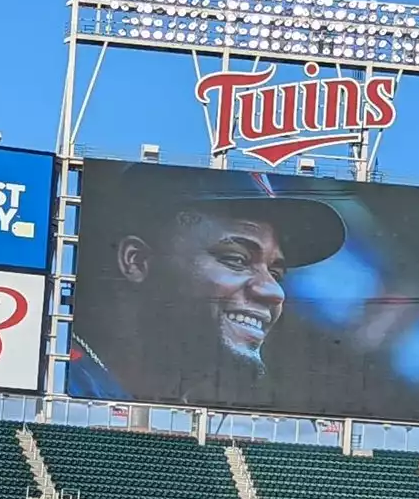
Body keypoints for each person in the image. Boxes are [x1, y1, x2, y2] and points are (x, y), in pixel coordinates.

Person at [68, 162, 346, 405]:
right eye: (236, 259)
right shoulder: (63, 386)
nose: (273, 291)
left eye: (276, 272)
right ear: (137, 261)